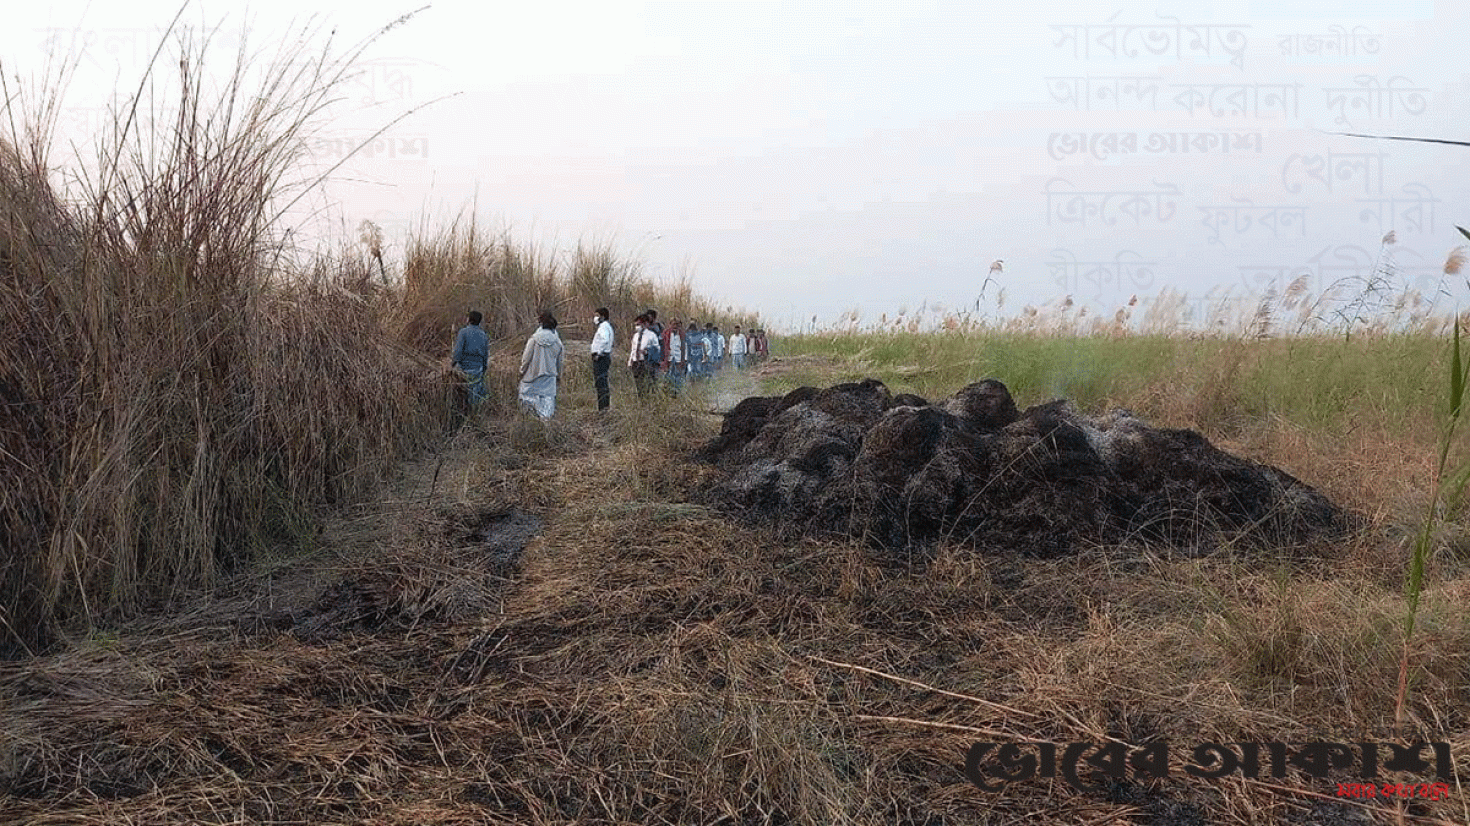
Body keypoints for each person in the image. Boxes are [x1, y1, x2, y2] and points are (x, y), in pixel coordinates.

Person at [519, 311, 565, 419]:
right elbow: (560, 363)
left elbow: (526, 358)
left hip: (532, 376)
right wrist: (559, 376)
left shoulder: (534, 340)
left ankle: (531, 425)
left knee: (528, 406)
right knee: (547, 407)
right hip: (549, 379)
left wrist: (521, 371)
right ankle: (545, 428)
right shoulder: (558, 343)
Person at [451, 310, 490, 405]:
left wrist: (453, 364)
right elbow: (485, 354)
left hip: (464, 368)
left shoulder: (463, 332)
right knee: (476, 393)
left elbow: (458, 351)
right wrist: (484, 368)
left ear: (468, 320)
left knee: (462, 393)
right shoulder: (483, 335)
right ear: (480, 321)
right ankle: (475, 411)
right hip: (478, 368)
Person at [627, 314, 659, 398]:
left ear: (645, 324)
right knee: (638, 384)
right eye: (636, 325)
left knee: (647, 383)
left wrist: (648, 351)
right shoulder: (635, 336)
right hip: (636, 362)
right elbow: (633, 349)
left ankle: (647, 400)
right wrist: (630, 361)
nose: (637, 327)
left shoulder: (651, 335)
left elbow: (657, 349)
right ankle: (641, 400)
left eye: (639, 324)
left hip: (645, 361)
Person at [590, 307, 614, 412]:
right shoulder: (605, 326)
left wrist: (598, 353)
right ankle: (603, 408)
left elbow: (605, 340)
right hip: (603, 356)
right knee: (601, 384)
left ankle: (603, 409)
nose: (595, 318)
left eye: (597, 316)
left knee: (601, 385)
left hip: (601, 358)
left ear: (603, 317)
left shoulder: (603, 327)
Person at [663, 318, 685, 394]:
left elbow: (684, 348)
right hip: (669, 359)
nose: (675, 326)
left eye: (677, 324)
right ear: (670, 325)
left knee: (677, 376)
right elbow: (662, 346)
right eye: (673, 324)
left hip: (678, 359)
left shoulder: (682, 335)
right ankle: (667, 392)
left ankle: (676, 393)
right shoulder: (666, 334)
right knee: (667, 376)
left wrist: (684, 360)